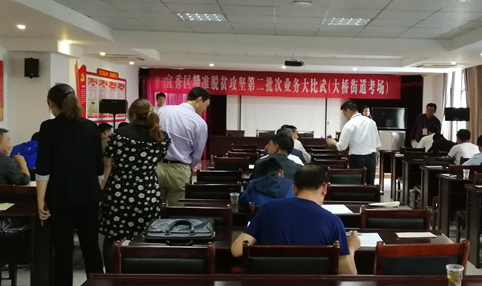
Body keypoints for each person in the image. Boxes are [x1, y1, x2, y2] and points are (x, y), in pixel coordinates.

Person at [35, 83, 104, 286]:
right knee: (91, 248)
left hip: (61, 198)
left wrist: (40, 200)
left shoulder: (48, 128)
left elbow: (43, 169)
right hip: (89, 196)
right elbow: (98, 168)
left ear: (52, 104)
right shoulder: (91, 127)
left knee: (62, 251)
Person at [231, 165, 360, 275]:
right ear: (324, 189)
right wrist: (351, 247)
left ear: (294, 189)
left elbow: (237, 250)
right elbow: (348, 274)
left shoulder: (268, 209)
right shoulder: (334, 222)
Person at [99, 99, 171, 266]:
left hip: (119, 191)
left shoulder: (119, 134)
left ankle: (111, 273)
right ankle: (141, 271)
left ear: (131, 115)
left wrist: (101, 188)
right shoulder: (161, 136)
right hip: (147, 191)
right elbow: (158, 159)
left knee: (112, 237)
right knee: (145, 236)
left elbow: (107, 164)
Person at [156, 87, 210, 206]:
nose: (205, 109)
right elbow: (197, 155)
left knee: (155, 207)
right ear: (199, 100)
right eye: (205, 105)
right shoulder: (200, 123)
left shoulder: (163, 111)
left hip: (157, 166)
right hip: (179, 170)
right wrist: (186, 166)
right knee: (177, 210)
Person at [326, 100, 381, 185]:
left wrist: (333, 142)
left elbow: (342, 147)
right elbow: (377, 144)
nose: (344, 116)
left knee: (356, 184)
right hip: (371, 158)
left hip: (356, 159)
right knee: (370, 185)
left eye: (344, 113)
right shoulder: (372, 122)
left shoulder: (349, 125)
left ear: (348, 110)